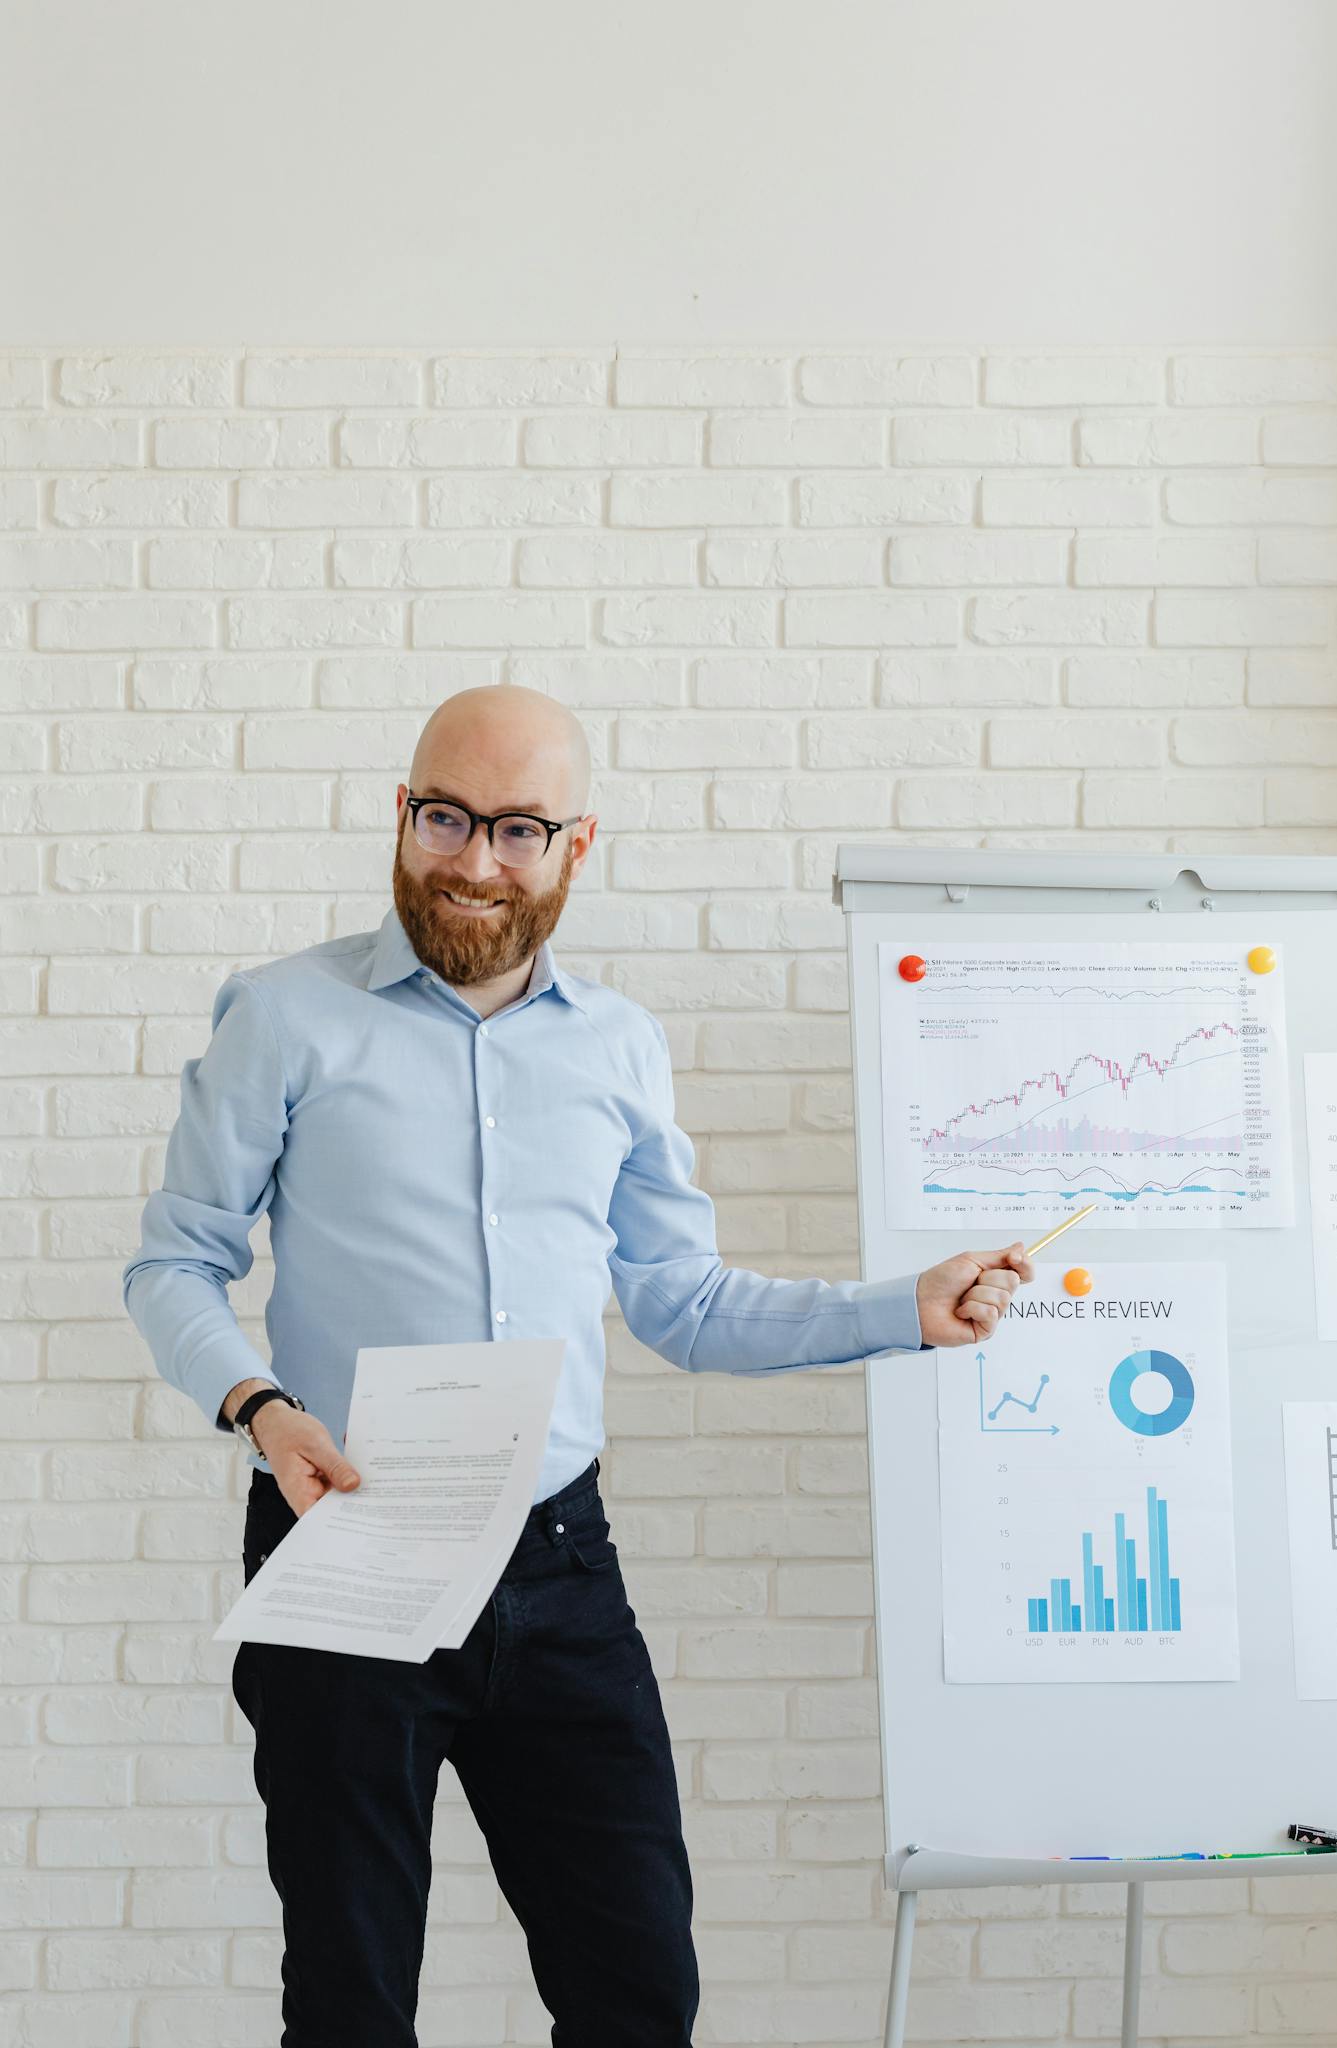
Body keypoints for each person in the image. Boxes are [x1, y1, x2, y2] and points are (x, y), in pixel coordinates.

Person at [121, 683, 1036, 2048]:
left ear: (574, 846)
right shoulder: (286, 1016)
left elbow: (677, 1303)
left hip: (558, 1568)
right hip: (343, 1547)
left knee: (636, 1991)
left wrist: (899, 1308)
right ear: (402, 814)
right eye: (446, 818)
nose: (475, 862)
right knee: (350, 2004)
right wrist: (260, 1408)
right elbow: (174, 1262)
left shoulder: (617, 1047)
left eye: (517, 829)